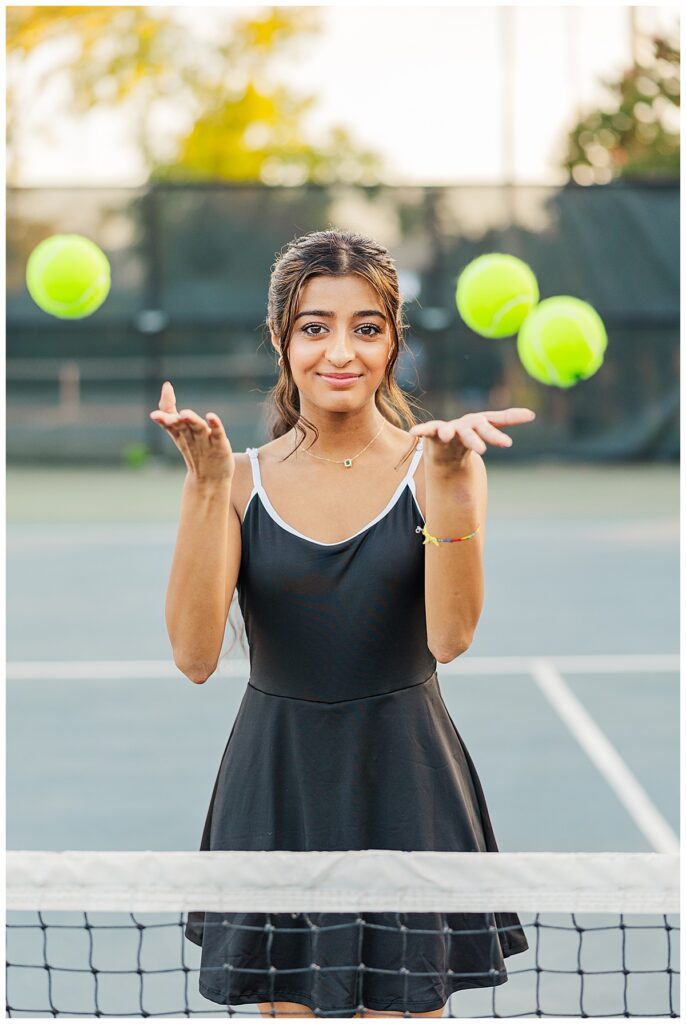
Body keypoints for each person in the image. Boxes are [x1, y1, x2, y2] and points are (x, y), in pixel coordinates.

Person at [150, 229, 535, 1019]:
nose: (341, 351)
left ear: (393, 343)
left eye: (367, 328)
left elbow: (450, 638)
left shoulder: (442, 466)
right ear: (282, 340)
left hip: (408, 783)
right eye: (314, 326)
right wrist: (204, 488)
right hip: (278, 784)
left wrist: (456, 491)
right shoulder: (240, 479)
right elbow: (193, 655)